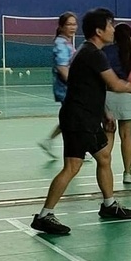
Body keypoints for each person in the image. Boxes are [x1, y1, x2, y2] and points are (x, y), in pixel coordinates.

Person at [31, 8, 131, 235]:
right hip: (78, 118)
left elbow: (92, 87)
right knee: (72, 166)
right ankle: (44, 215)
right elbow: (113, 83)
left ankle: (109, 205)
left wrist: (105, 113)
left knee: (104, 156)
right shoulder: (93, 54)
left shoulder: (89, 51)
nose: (113, 30)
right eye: (110, 25)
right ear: (99, 31)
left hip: (88, 116)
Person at [103, 22, 131, 184]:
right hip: (126, 96)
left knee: (108, 134)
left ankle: (105, 169)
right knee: (127, 136)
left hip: (108, 95)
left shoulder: (104, 52)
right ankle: (127, 173)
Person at [39, 12, 78, 157]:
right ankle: (76, 149)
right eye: (69, 24)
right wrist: (76, 86)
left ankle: (49, 141)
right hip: (65, 89)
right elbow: (63, 68)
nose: (72, 27)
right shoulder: (60, 44)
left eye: (74, 24)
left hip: (69, 88)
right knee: (73, 118)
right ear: (61, 26)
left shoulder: (67, 42)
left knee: (70, 119)